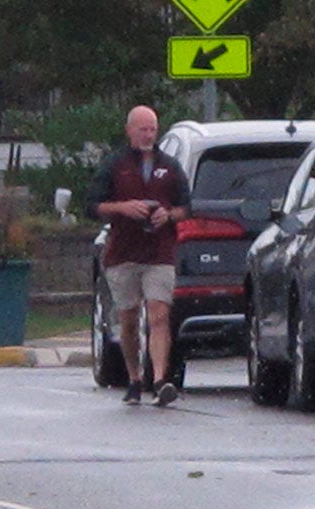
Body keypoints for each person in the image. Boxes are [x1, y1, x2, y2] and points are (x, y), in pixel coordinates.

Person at [86, 105, 191, 406]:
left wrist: (168, 215)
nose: (148, 135)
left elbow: (186, 207)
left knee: (159, 314)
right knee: (129, 319)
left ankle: (159, 379)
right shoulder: (114, 165)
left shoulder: (169, 166)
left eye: (152, 129)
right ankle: (134, 377)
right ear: (129, 130)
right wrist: (122, 208)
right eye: (142, 129)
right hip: (123, 253)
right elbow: (92, 205)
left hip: (159, 252)